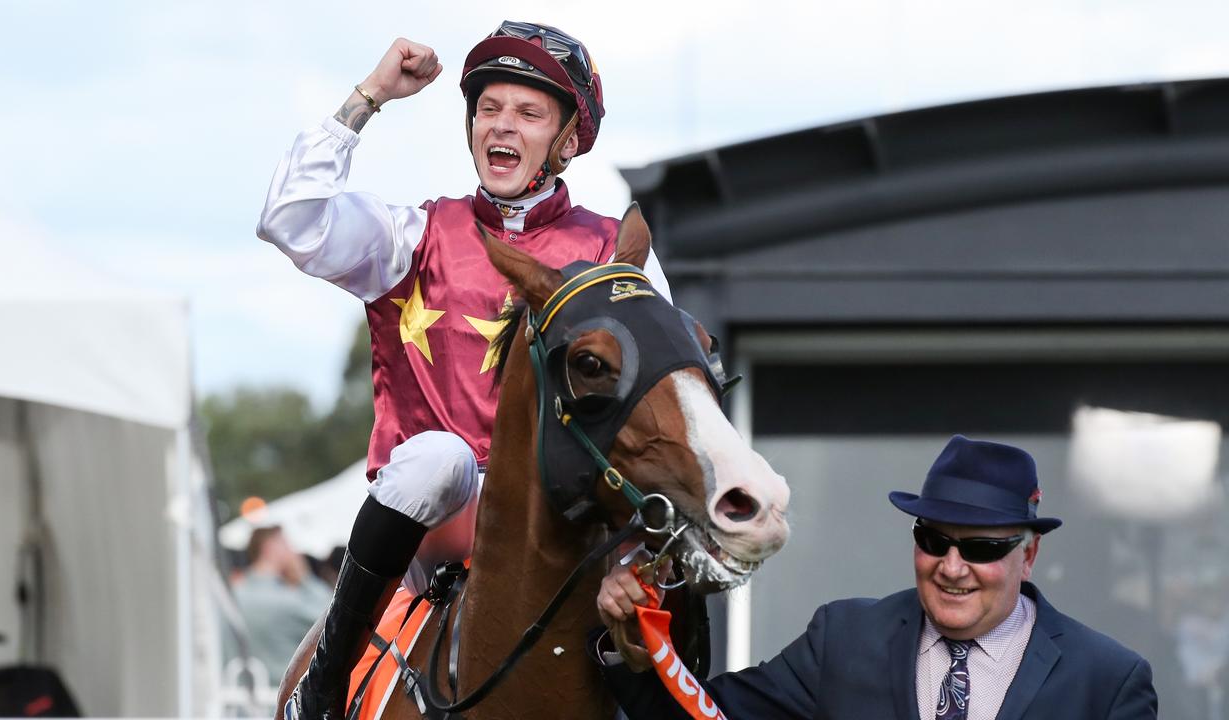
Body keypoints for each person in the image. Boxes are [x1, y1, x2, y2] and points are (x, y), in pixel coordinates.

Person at [255, 21, 670, 719]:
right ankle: (325, 681)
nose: (500, 125)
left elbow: (663, 394)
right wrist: (371, 96)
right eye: (488, 108)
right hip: (434, 521)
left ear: (568, 140)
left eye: (528, 112)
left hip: (567, 527)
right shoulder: (414, 234)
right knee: (440, 456)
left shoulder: (613, 250)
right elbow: (288, 219)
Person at [595, 435, 1158, 719]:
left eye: (982, 548)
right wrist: (631, 637)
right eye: (934, 540)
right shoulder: (844, 638)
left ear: (1028, 557)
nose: (952, 567)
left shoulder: (1106, 681)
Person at [233, 526, 333, 683]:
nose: (293, 551)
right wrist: (304, 577)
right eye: (287, 544)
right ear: (270, 548)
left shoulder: (235, 593)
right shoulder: (288, 600)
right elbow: (333, 615)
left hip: (237, 694)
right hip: (280, 696)